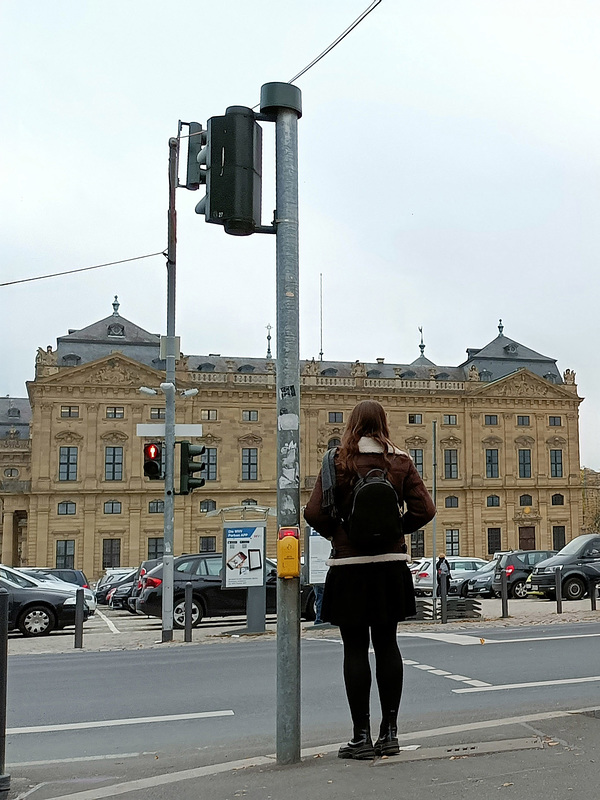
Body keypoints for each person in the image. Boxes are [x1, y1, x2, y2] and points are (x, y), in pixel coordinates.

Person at [304, 400, 436, 760]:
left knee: (354, 649)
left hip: (349, 567)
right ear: (383, 424)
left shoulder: (337, 460)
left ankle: (360, 736)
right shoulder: (400, 460)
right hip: (390, 566)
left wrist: (339, 535)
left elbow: (313, 512)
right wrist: (396, 530)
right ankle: (389, 733)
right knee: (388, 645)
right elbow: (426, 509)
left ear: (351, 425)